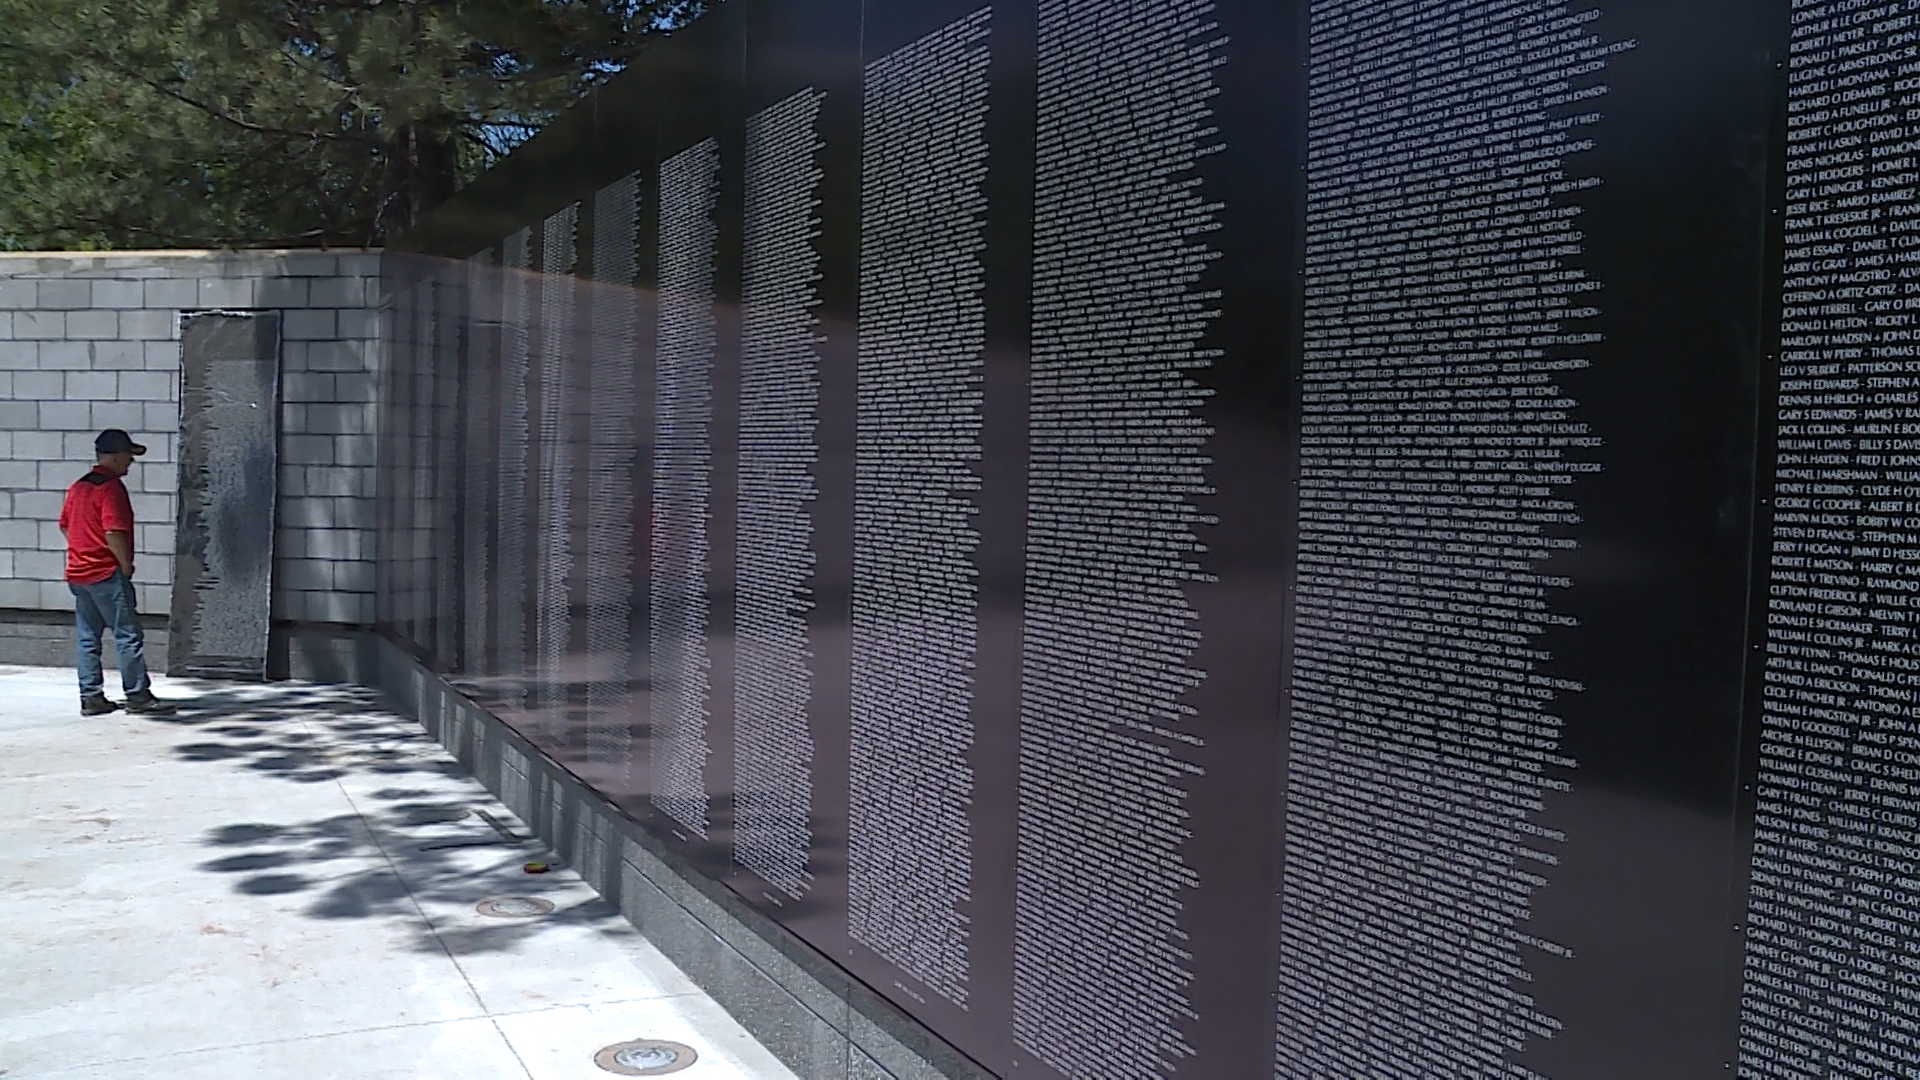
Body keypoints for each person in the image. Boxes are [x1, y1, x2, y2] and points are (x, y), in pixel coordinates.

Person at [58, 429, 175, 715]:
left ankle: (91, 697)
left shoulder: (78, 487)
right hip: (105, 573)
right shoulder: (110, 488)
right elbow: (113, 531)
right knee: (127, 634)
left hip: (78, 574)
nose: (131, 462)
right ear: (113, 457)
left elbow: (65, 525)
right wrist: (124, 564)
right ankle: (137, 695)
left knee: (88, 636)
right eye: (127, 455)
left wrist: (82, 550)